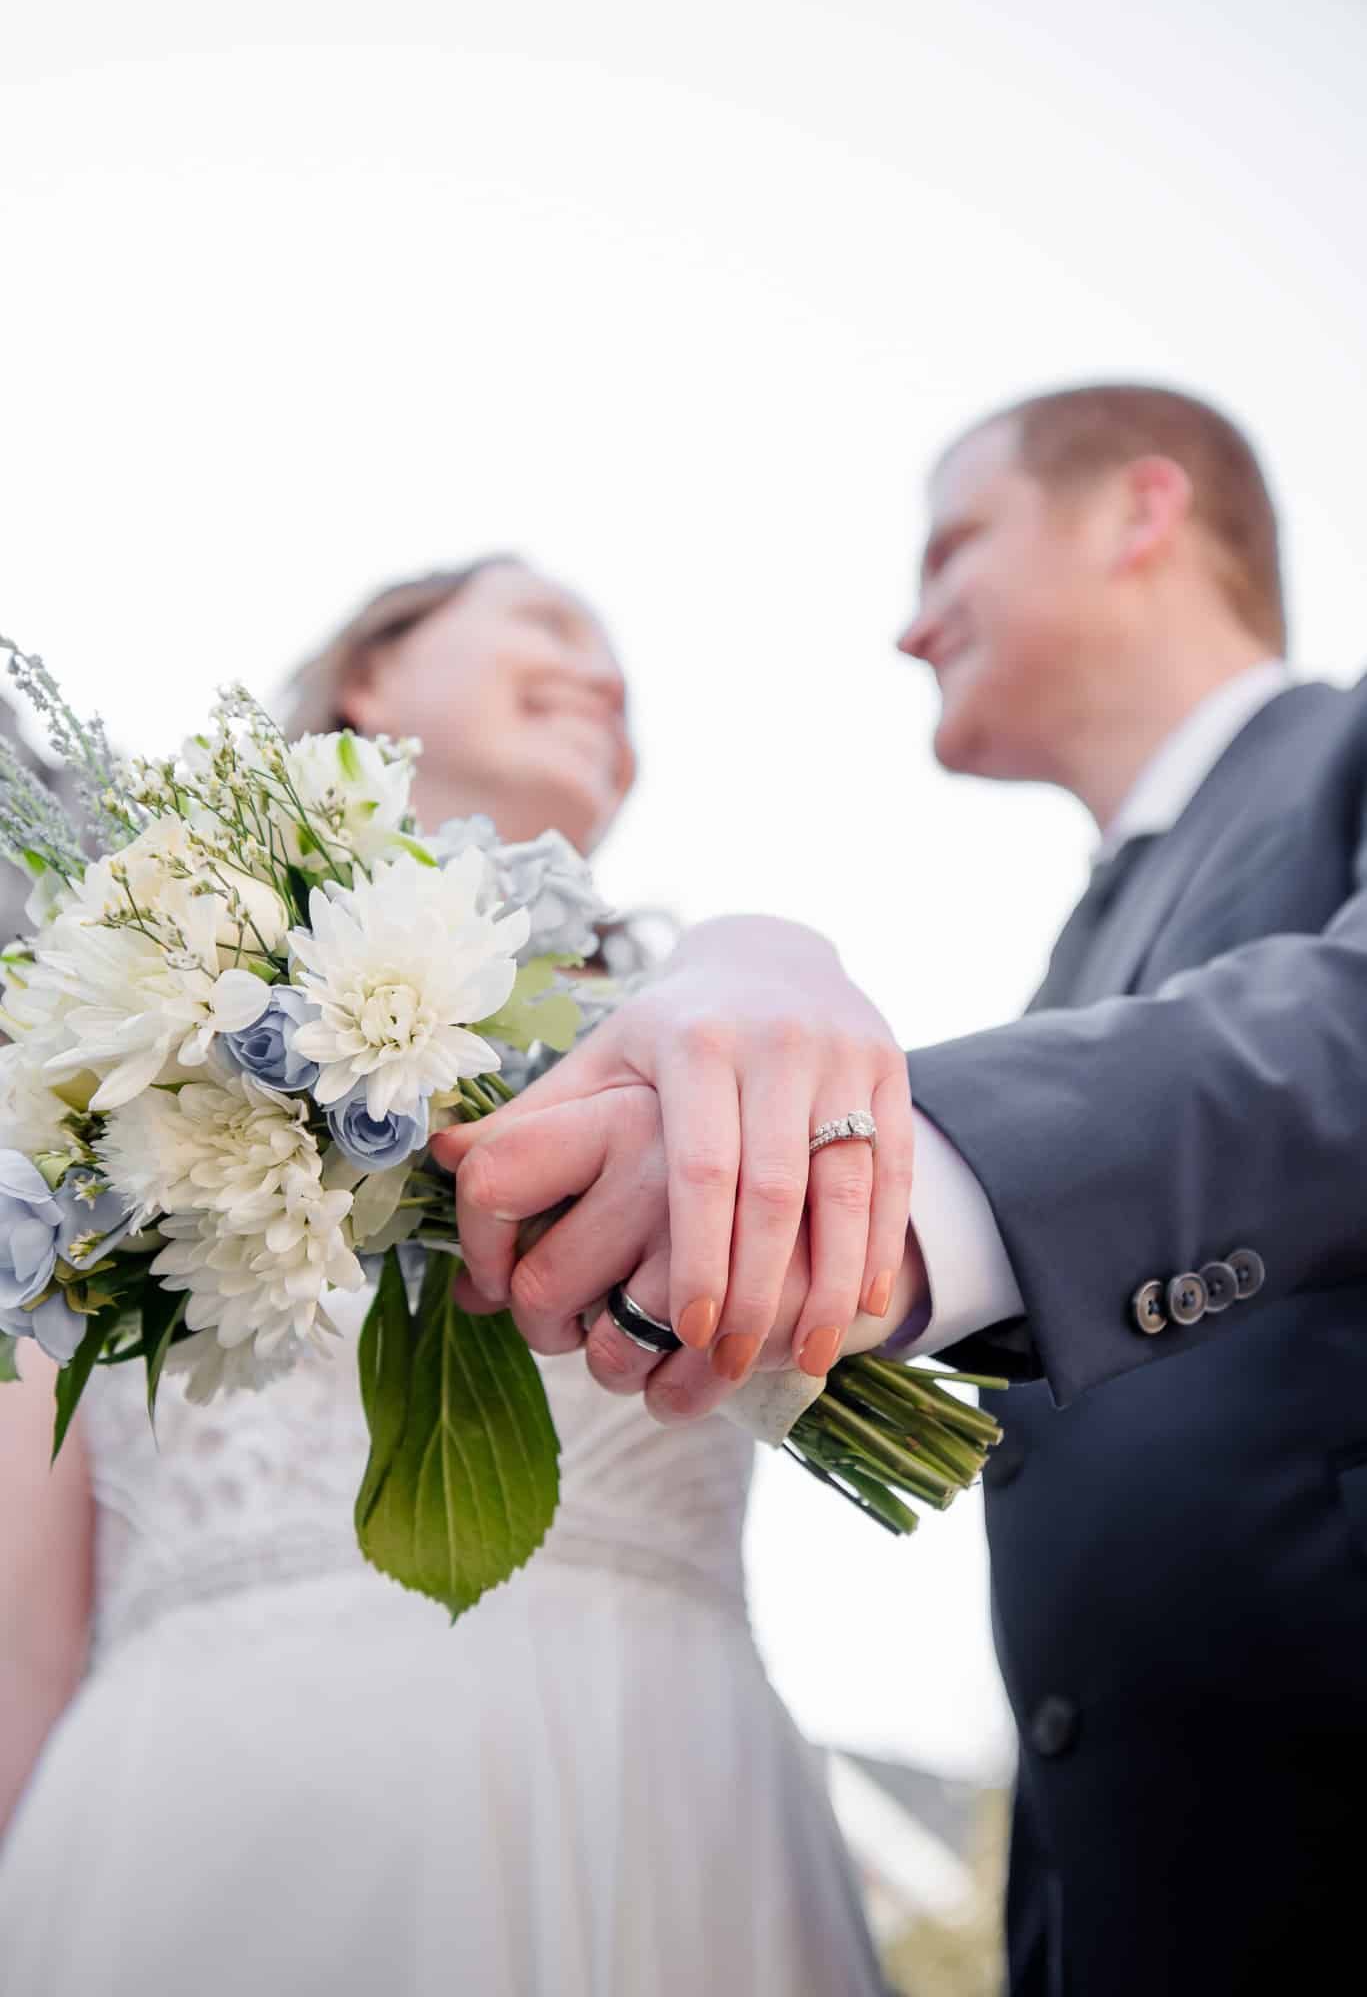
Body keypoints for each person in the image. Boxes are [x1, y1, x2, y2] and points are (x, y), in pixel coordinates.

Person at [439, 388, 1367, 1995]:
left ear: (1140, 513)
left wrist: (887, 1190)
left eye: (957, 546)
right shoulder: (1077, 954)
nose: (909, 625)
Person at [0, 558, 885, 1997]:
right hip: (197, 1817)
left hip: (653, 1790)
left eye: (619, 666)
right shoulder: (136, 1027)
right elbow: (24, 1612)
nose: (604, 678)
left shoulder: (736, 1038)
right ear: (370, 674)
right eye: (548, 625)